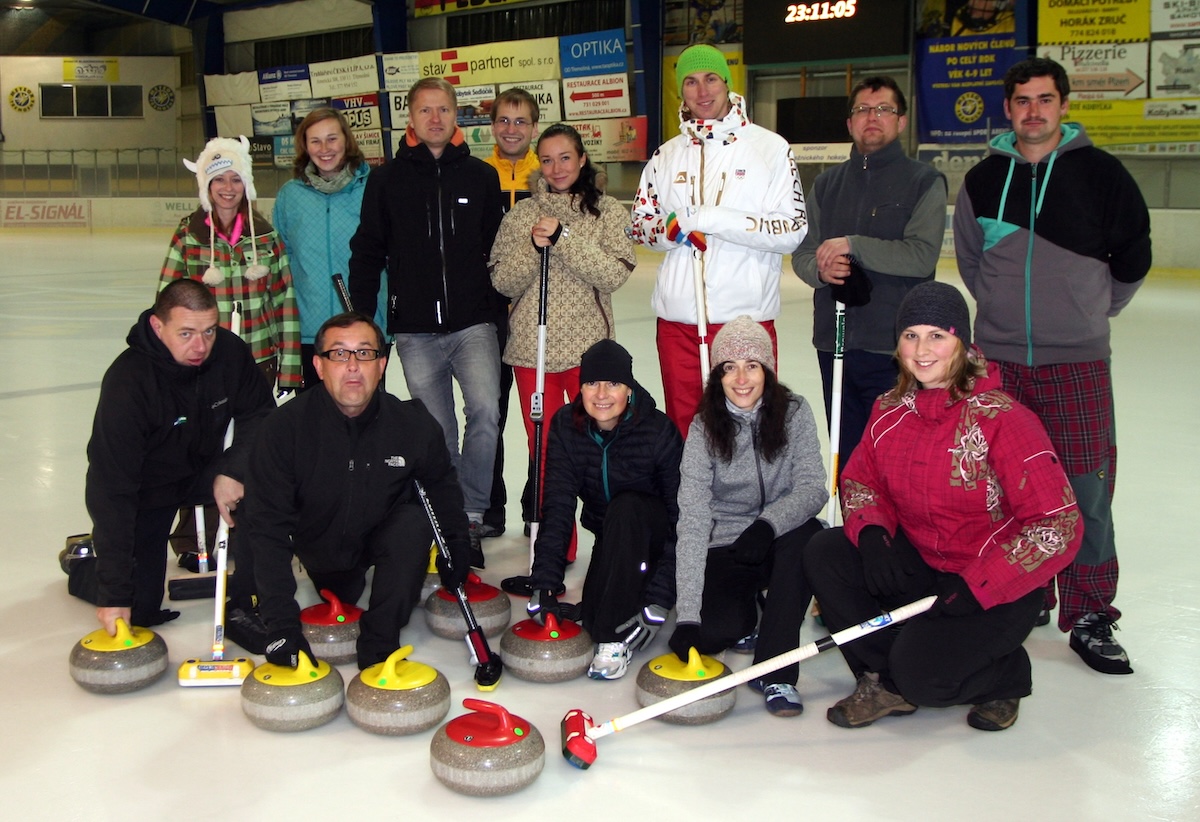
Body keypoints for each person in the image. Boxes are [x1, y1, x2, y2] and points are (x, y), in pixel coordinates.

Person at [802, 282, 1083, 732]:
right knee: (825, 551)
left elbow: (1058, 524)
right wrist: (872, 533)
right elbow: (860, 480)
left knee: (924, 678)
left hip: (992, 586)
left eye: (937, 335)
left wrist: (981, 586)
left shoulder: (1005, 419)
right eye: (911, 335)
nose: (922, 349)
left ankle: (1004, 677)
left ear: (963, 344)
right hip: (925, 563)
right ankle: (883, 679)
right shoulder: (889, 409)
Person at [954, 57, 1151, 675]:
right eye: (1021, 101)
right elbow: (969, 262)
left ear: (1063, 105)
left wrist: (1086, 313)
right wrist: (1003, 315)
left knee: (1086, 489)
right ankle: (1026, 588)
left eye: (1044, 99)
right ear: (1007, 109)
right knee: (1004, 489)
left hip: (1077, 362)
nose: (1033, 110)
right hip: (1000, 361)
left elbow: (1134, 258)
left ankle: (1090, 612)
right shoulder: (985, 180)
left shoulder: (1102, 176)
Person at [241, 312, 471, 670]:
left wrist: (457, 544)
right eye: (339, 354)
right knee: (333, 583)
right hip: (315, 542)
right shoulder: (283, 430)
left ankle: (380, 642)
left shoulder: (412, 424)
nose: (352, 366)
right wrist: (282, 625)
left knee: (414, 520)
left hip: (377, 536)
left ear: (381, 364)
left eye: (364, 354)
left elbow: (441, 487)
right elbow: (267, 529)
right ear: (318, 366)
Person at [348, 78, 506, 568]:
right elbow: (368, 251)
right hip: (415, 331)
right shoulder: (387, 179)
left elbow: (498, 254)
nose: (434, 119)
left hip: (473, 325)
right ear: (410, 119)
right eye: (424, 110)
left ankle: (474, 510)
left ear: (456, 115)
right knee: (437, 430)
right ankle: (453, 514)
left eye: (442, 109)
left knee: (485, 413)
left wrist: (498, 316)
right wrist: (362, 320)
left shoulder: (480, 177)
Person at [68, 279, 275, 643]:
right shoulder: (128, 383)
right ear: (157, 326)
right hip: (147, 487)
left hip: (208, 470)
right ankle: (85, 567)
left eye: (209, 331)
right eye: (186, 333)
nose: (201, 346)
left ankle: (245, 603)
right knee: (140, 609)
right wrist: (114, 593)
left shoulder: (228, 352)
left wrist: (233, 469)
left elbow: (260, 414)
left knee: (263, 487)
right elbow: (111, 489)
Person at [631, 43, 807, 434]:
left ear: (728, 83)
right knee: (686, 427)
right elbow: (640, 223)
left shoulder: (769, 149)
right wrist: (669, 231)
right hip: (677, 321)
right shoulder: (665, 155)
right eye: (690, 82)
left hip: (744, 319)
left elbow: (792, 229)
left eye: (711, 78)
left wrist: (712, 219)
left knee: (751, 428)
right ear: (681, 91)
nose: (702, 90)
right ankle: (690, 498)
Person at [490, 123, 637, 568]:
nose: (556, 168)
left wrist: (564, 240)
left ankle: (614, 537)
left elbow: (613, 274)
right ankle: (557, 546)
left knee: (600, 449)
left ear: (582, 159)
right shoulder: (519, 216)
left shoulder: (608, 212)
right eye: (547, 159)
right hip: (532, 356)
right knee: (547, 455)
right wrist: (536, 247)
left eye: (565, 158)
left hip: (590, 356)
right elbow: (502, 281)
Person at [669, 316, 827, 717]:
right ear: (717, 376)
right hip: (729, 545)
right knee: (712, 634)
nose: (741, 378)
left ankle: (776, 670)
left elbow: (813, 488)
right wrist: (687, 615)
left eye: (752, 365)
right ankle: (752, 610)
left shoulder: (794, 413)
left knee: (811, 539)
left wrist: (767, 524)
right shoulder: (705, 428)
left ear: (768, 371)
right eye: (729, 367)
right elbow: (692, 518)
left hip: (781, 536)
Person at [792, 76, 947, 468]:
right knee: (850, 462)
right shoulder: (827, 185)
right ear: (849, 123)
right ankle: (855, 530)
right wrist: (821, 269)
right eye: (862, 110)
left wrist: (853, 245)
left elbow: (921, 256)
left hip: (896, 349)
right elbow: (803, 255)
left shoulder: (923, 181)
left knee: (898, 461)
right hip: (836, 344)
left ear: (901, 121)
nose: (871, 117)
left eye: (883, 110)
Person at [523, 340, 684, 681]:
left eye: (613, 383)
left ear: (629, 388)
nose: (601, 394)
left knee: (627, 507)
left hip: (655, 538)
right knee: (591, 616)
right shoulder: (567, 426)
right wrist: (545, 582)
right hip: (611, 536)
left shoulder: (658, 431)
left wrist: (661, 598)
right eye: (591, 383)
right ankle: (609, 618)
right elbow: (558, 504)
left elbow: (682, 521)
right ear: (580, 388)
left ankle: (613, 641)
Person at [160, 135, 301, 393]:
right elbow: (165, 304)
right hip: (203, 358)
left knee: (254, 433)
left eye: (236, 179)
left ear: (246, 185)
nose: (228, 187)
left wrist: (290, 367)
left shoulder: (267, 237)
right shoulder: (188, 237)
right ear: (207, 185)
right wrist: (166, 361)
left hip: (259, 360)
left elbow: (285, 303)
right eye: (219, 179)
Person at [272, 107, 389, 390]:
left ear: (346, 141)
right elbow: (281, 258)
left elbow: (388, 253)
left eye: (332, 139)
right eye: (315, 141)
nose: (325, 149)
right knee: (316, 419)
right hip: (310, 330)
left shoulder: (371, 188)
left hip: (363, 326)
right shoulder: (291, 194)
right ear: (305, 146)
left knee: (368, 417)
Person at [479, 87, 541, 538]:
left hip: (541, 313)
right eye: (504, 120)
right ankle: (490, 503)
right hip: (489, 315)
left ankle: (536, 501)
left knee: (539, 415)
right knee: (490, 412)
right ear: (492, 125)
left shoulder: (551, 173)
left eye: (521, 122)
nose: (512, 129)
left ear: (534, 128)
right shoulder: (478, 176)